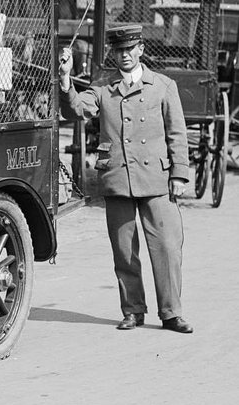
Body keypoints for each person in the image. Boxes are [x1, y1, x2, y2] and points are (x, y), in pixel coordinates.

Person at [59, 23, 193, 333]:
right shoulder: (103, 88)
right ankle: (133, 311)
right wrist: (66, 79)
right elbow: (76, 111)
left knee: (167, 249)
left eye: (129, 50)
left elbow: (177, 133)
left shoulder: (162, 85)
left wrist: (180, 175)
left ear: (141, 50)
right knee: (124, 252)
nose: (124, 56)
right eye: (118, 51)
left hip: (157, 180)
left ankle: (171, 313)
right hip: (119, 179)